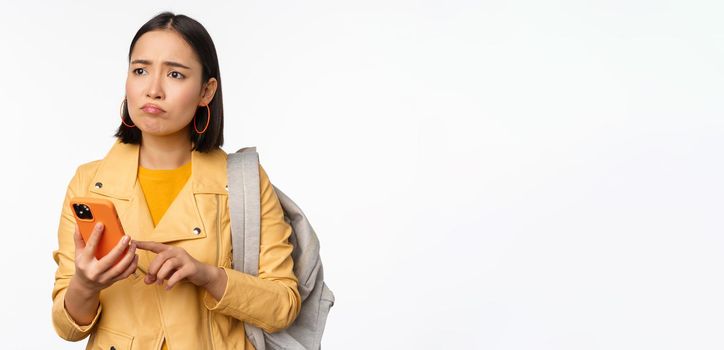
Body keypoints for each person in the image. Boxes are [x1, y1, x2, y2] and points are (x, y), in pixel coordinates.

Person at [51, 12, 301, 349]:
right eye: (140, 70)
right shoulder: (89, 182)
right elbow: (68, 329)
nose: (153, 90)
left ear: (206, 91)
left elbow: (284, 306)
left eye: (175, 74)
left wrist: (208, 275)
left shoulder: (243, 181)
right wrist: (85, 283)